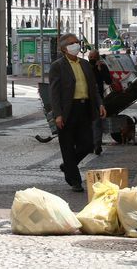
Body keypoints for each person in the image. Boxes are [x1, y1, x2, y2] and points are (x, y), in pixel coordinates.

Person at [48, 35, 106, 193]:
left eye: (77, 42)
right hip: (67, 110)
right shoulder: (57, 66)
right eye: (72, 43)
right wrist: (58, 114)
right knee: (67, 146)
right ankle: (75, 180)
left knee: (87, 144)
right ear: (64, 48)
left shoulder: (85, 64)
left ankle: (67, 165)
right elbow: (54, 92)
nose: (76, 45)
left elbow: (93, 88)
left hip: (85, 107)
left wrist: (100, 104)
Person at [89, 50, 111, 156]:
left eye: (93, 57)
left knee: (97, 123)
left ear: (97, 58)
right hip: (85, 98)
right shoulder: (86, 67)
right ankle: (89, 144)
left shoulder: (102, 67)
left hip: (98, 98)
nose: (92, 59)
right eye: (90, 56)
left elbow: (108, 81)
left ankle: (97, 145)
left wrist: (100, 69)